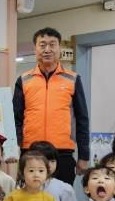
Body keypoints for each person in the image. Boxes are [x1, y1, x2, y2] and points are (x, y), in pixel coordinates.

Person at [13, 27, 90, 184]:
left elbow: (82, 119)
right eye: (42, 45)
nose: (47, 49)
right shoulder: (24, 80)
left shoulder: (73, 79)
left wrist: (84, 156)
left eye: (52, 44)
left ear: (59, 48)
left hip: (63, 153)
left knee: (61, 197)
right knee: (30, 197)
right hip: (30, 152)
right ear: (35, 49)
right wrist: (14, 148)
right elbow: (16, 118)